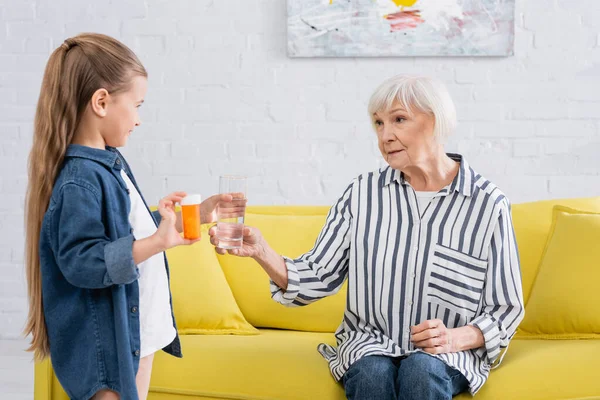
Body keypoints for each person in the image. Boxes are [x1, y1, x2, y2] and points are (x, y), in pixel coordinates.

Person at [209, 75, 525, 399]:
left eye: (399, 120)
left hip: (446, 354)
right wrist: (262, 251)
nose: (385, 136)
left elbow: (506, 309)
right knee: (372, 373)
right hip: (369, 344)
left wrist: (455, 338)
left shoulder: (487, 204)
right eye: (378, 123)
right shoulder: (362, 194)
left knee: (422, 370)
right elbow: (318, 274)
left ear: (434, 121)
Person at [23, 33, 228, 400]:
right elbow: (82, 260)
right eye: (137, 105)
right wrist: (154, 241)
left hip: (135, 335)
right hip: (109, 346)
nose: (139, 119)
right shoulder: (80, 180)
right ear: (101, 102)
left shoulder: (109, 163)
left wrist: (176, 221)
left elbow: (121, 230)